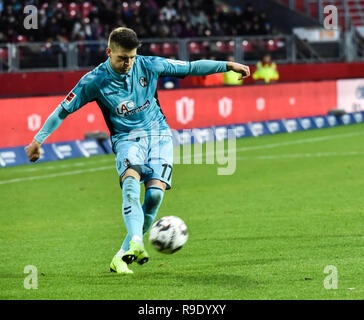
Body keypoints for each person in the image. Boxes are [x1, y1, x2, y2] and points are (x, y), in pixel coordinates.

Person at [25, 27, 250, 275]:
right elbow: (63, 110)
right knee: (131, 184)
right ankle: (137, 242)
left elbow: (190, 67)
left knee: (154, 196)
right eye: (122, 58)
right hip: (126, 139)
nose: (128, 63)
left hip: (160, 135)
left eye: (132, 57)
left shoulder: (149, 65)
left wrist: (227, 65)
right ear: (109, 52)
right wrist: (38, 140)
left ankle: (121, 256)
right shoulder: (94, 80)